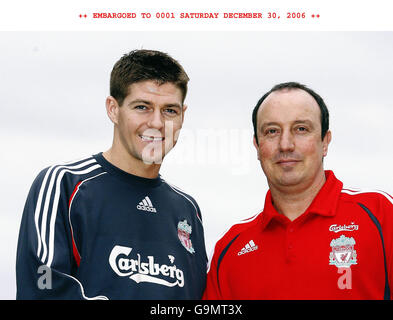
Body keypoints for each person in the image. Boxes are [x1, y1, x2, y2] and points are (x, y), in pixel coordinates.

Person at [16, 49, 207, 300]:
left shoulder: (188, 210)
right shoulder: (64, 184)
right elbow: (42, 285)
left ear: (182, 116)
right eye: (142, 107)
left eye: (170, 110)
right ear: (113, 109)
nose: (158, 123)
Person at [203, 82, 393, 300]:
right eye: (272, 131)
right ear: (257, 145)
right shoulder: (231, 249)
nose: (286, 145)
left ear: (325, 141)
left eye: (301, 129)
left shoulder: (381, 214)